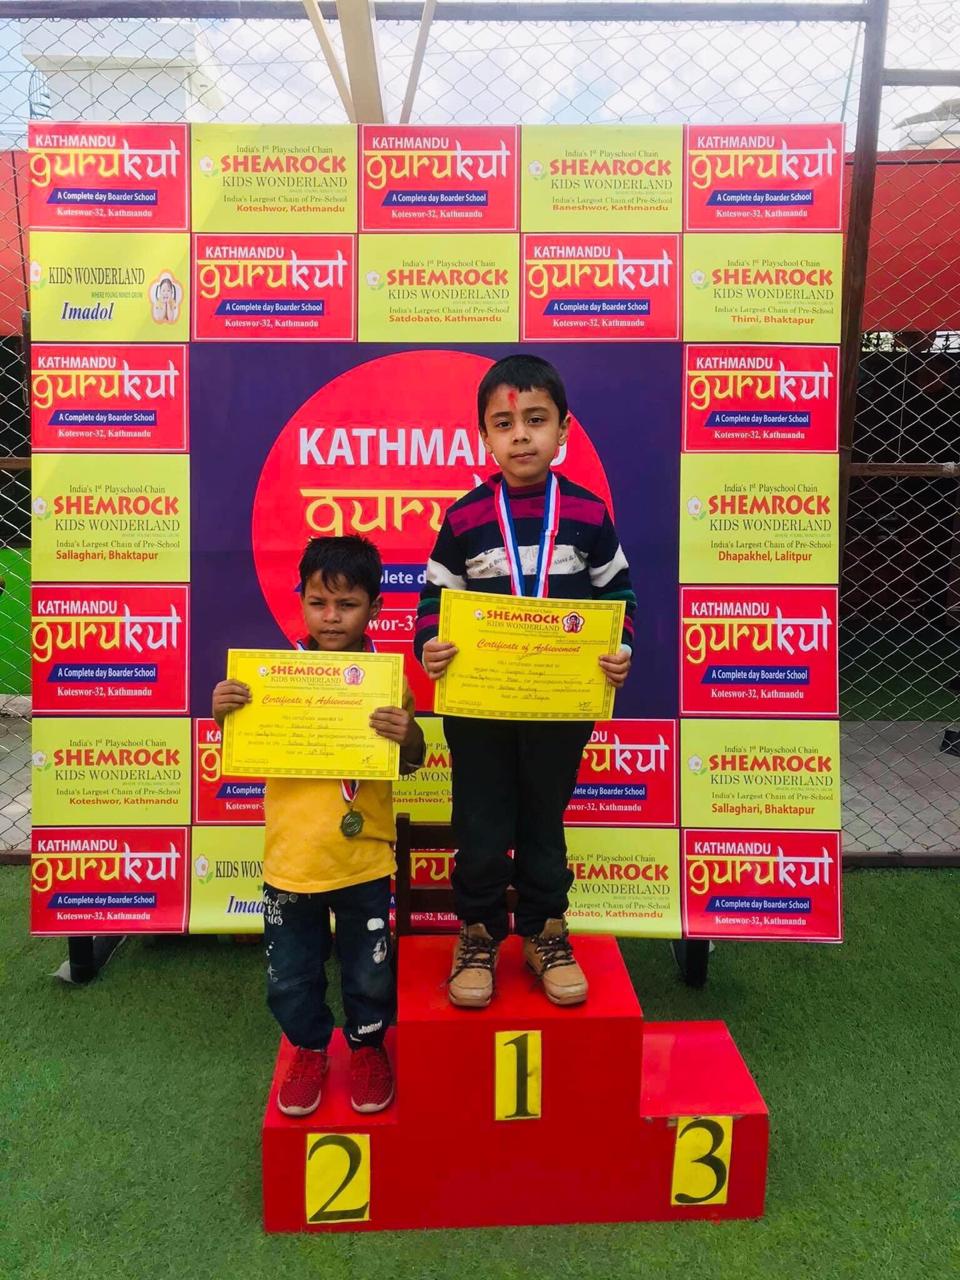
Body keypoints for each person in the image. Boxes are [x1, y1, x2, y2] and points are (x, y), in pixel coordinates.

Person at [415, 354, 636, 1010]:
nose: (521, 436)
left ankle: (545, 931)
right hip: (478, 710)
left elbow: (619, 595)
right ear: (483, 435)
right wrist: (430, 645)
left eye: (536, 420)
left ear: (563, 429)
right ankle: (478, 932)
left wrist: (620, 647)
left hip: (558, 708)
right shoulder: (463, 518)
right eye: (504, 423)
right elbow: (432, 601)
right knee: (480, 822)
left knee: (543, 820)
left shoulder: (589, 515)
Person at [212, 535, 424, 1117]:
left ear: (375, 607)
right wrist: (225, 711)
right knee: (291, 973)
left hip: (363, 860)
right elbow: (241, 744)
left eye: (348, 604)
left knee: (369, 968)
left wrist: (410, 736)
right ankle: (307, 1048)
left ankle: (368, 1047)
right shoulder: (271, 680)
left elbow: (411, 760)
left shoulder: (387, 680)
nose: (331, 617)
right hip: (292, 860)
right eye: (318, 603)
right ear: (301, 603)